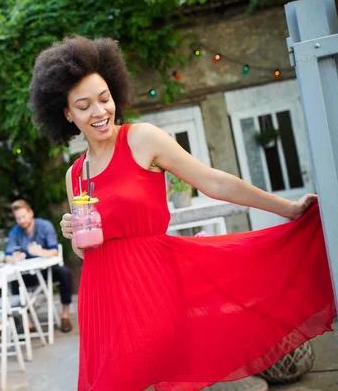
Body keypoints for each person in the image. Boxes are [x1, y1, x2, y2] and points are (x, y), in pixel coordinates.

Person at [29, 36, 335, 391]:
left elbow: (214, 182)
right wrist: (72, 231)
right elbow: (87, 250)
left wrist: (288, 208)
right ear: (66, 113)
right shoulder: (75, 175)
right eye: (84, 106)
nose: (99, 112)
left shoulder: (142, 139)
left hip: (151, 289)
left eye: (104, 98)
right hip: (102, 301)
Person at [5, 199, 74, 333]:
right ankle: (29, 321)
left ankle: (65, 315)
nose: (21, 220)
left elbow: (55, 251)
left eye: (23, 216)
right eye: (18, 218)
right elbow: (7, 256)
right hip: (28, 272)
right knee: (13, 282)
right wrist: (14, 258)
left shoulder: (44, 226)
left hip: (48, 269)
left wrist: (41, 252)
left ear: (30, 213)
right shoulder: (15, 232)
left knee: (64, 273)